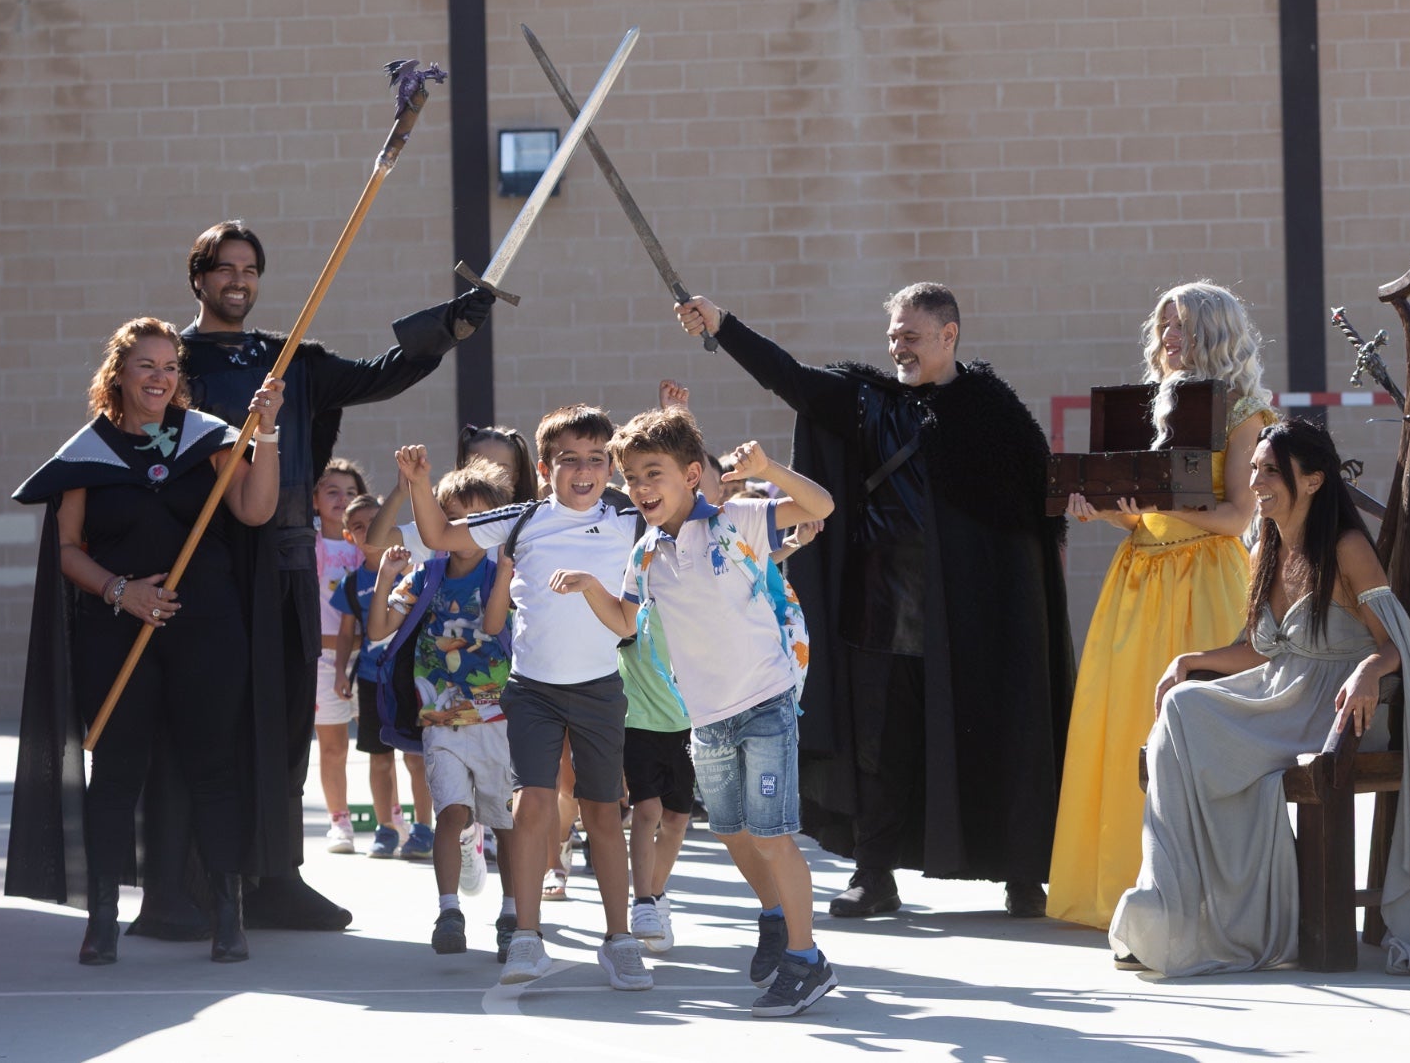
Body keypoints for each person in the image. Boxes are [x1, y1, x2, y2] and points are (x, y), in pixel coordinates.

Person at [675, 286, 1075, 918]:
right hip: (882, 608)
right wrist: (722, 325)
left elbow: (1035, 513)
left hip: (975, 615)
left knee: (995, 735)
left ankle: (1022, 875)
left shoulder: (994, 413)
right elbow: (791, 378)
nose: (898, 348)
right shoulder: (867, 400)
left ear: (948, 335)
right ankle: (875, 872)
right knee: (879, 749)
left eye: (911, 336)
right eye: (893, 336)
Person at [172, 219, 495, 932]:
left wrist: (451, 326)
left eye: (250, 269)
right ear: (198, 277)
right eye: (225, 268)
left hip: (284, 559)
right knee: (209, 720)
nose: (238, 281)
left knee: (288, 718)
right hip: (204, 563)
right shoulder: (172, 361)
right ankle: (196, 883)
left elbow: (383, 373)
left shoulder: (289, 359)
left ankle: (275, 879)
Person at [1110, 419, 1410, 977]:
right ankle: (1170, 909)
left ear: (1315, 479)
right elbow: (1261, 651)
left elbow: (1396, 642)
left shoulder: (1346, 548)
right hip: (1279, 697)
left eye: (1272, 471)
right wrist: (1192, 660)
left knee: (1183, 717)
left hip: (1340, 712)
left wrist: (1370, 670)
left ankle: (1209, 919)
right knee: (1181, 709)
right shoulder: (1264, 551)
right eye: (1254, 469)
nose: (1256, 482)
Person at [6, 318, 287, 964]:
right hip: (117, 630)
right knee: (116, 770)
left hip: (206, 628)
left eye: (169, 366)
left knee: (213, 767)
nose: (160, 378)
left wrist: (267, 431)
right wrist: (120, 590)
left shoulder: (206, 438)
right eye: (146, 366)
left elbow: (255, 510)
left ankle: (227, 916)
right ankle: (102, 919)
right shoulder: (89, 452)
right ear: (119, 375)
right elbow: (66, 548)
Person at [551, 409, 840, 1017]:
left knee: (773, 835)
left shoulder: (738, 518)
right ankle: (775, 916)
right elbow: (626, 622)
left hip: (766, 700)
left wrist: (768, 469)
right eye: (631, 477)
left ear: (690, 475)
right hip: (706, 717)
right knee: (731, 831)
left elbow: (821, 505)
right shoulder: (646, 554)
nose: (640, 487)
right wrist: (591, 588)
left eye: (652, 473)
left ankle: (807, 958)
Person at [1046, 282, 1278, 929]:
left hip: (1206, 580)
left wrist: (1162, 504)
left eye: (1181, 325)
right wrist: (1107, 511)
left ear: (1214, 333)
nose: (1168, 336)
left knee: (1193, 729)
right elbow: (1145, 518)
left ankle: (1203, 900)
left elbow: (1237, 518)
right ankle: (1121, 887)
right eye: (1164, 325)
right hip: (1137, 580)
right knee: (1123, 722)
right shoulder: (1154, 405)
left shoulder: (1245, 414)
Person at [400, 404, 651, 991]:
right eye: (569, 460)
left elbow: (689, 511)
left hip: (599, 689)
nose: (584, 471)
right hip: (532, 690)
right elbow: (438, 535)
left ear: (610, 466)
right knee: (532, 806)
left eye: (596, 459)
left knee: (602, 813)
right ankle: (526, 938)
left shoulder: (629, 518)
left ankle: (620, 940)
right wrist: (418, 483)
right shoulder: (522, 519)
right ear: (543, 468)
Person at [367, 460, 518, 959]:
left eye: (478, 521)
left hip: (498, 719)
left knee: (506, 821)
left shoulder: (506, 575)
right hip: (441, 718)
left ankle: (512, 913)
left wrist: (506, 574)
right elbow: (378, 629)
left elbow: (497, 624)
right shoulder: (425, 576)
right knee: (451, 813)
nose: (465, 531)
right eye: (453, 519)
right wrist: (386, 577)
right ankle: (449, 911)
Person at [329, 493, 414, 858]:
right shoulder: (351, 583)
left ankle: (424, 828)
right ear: (349, 536)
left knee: (417, 757)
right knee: (379, 757)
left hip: (411, 675)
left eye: (375, 523)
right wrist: (340, 672)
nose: (368, 532)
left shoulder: (411, 569)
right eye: (359, 527)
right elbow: (347, 633)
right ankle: (385, 829)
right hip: (371, 678)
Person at [312, 460, 368, 854]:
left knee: (380, 745)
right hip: (322, 660)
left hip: (367, 656)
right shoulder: (307, 542)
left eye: (350, 492)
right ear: (314, 499)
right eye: (332, 491)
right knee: (333, 746)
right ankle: (339, 821)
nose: (341, 499)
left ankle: (392, 821)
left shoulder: (365, 544)